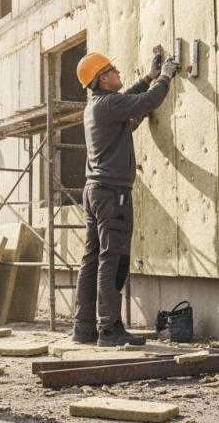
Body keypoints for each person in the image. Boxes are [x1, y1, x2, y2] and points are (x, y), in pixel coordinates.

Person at [73, 49, 179, 347]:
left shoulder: (98, 105)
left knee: (92, 258)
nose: (119, 73)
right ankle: (110, 329)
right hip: (112, 194)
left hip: (96, 191)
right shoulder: (109, 104)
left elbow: (132, 99)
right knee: (113, 258)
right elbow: (145, 101)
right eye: (114, 70)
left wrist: (149, 76)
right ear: (103, 79)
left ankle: (84, 328)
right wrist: (165, 77)